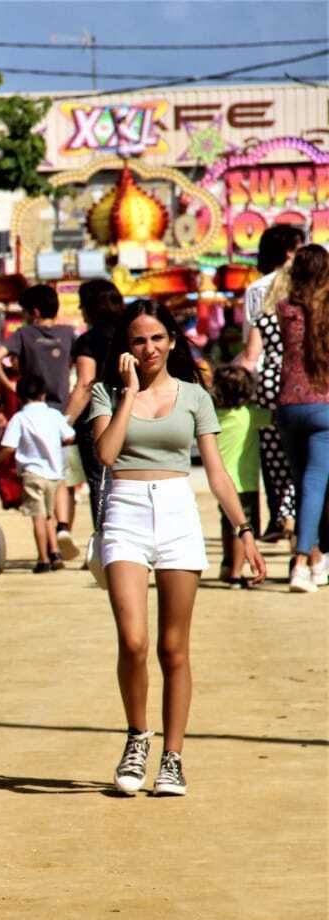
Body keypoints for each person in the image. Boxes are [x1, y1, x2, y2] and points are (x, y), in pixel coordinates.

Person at [89, 300, 265, 798]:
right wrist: (126, 395)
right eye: (138, 340)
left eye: (157, 338)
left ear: (171, 340)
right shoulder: (107, 392)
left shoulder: (194, 396)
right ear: (126, 346)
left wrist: (244, 531)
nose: (148, 348)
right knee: (133, 641)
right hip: (124, 509)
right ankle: (137, 737)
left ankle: (173, 756)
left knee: (173, 648)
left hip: (175, 511)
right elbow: (105, 455)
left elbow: (216, 471)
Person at [243, 224, 305, 542]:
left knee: (274, 455)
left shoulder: (257, 293)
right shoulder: (311, 295)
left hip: (267, 384)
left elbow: (249, 353)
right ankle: (293, 518)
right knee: (305, 455)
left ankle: (281, 514)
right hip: (305, 383)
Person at [274, 244, 329, 592]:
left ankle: (316, 557)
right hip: (324, 405)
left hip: (289, 406)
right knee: (315, 485)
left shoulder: (285, 309)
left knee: (307, 484)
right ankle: (300, 562)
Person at [0, 376, 76, 572]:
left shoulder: (20, 418)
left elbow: (9, 447)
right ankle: (55, 552)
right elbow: (70, 436)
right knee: (49, 515)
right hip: (55, 474)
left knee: (38, 517)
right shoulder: (54, 415)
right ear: (43, 394)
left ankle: (43, 559)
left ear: (20, 397)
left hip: (32, 473)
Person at [67, 279, 125, 524]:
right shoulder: (132, 334)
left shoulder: (88, 340)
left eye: (82, 306)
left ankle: (106, 542)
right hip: (133, 411)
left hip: (97, 420)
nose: (80, 311)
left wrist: (64, 421)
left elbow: (85, 384)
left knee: (101, 481)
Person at [209, 364, 270, 587]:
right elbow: (275, 418)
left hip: (220, 482)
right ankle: (236, 573)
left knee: (227, 524)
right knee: (242, 528)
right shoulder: (250, 415)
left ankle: (227, 565)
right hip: (244, 483)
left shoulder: (214, 415)